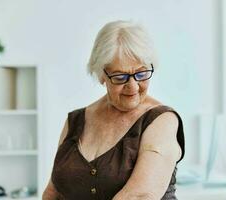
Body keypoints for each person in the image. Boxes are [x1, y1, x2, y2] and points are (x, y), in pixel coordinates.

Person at [42, 20, 185, 200]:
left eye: (141, 74)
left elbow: (140, 196)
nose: (133, 87)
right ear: (102, 75)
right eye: (120, 76)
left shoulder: (161, 120)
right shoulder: (76, 120)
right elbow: (52, 193)